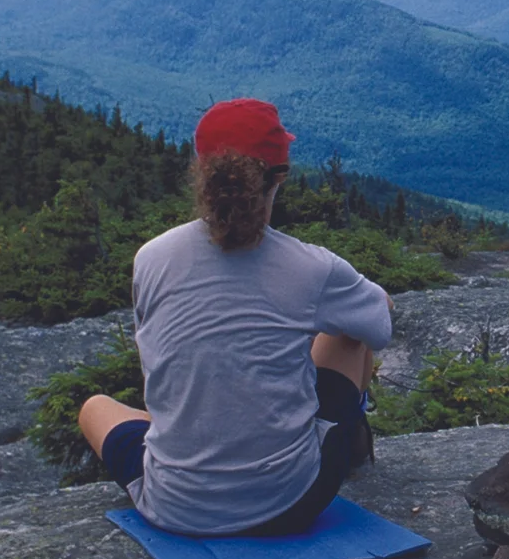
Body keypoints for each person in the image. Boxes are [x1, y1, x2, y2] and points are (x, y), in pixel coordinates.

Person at [77, 98, 393, 536]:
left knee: (95, 407)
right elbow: (379, 327)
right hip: (290, 501)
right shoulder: (312, 268)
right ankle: (351, 440)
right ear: (278, 178)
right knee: (348, 334)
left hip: (172, 507)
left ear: (200, 171)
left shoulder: (151, 258)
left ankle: (195, 446)